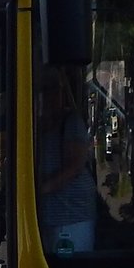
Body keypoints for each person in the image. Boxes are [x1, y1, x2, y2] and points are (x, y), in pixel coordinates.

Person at [37, 68, 97, 254]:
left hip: (72, 216)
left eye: (55, 90)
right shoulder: (38, 125)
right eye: (45, 90)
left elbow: (75, 166)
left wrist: (41, 189)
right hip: (50, 215)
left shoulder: (71, 122)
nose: (51, 96)